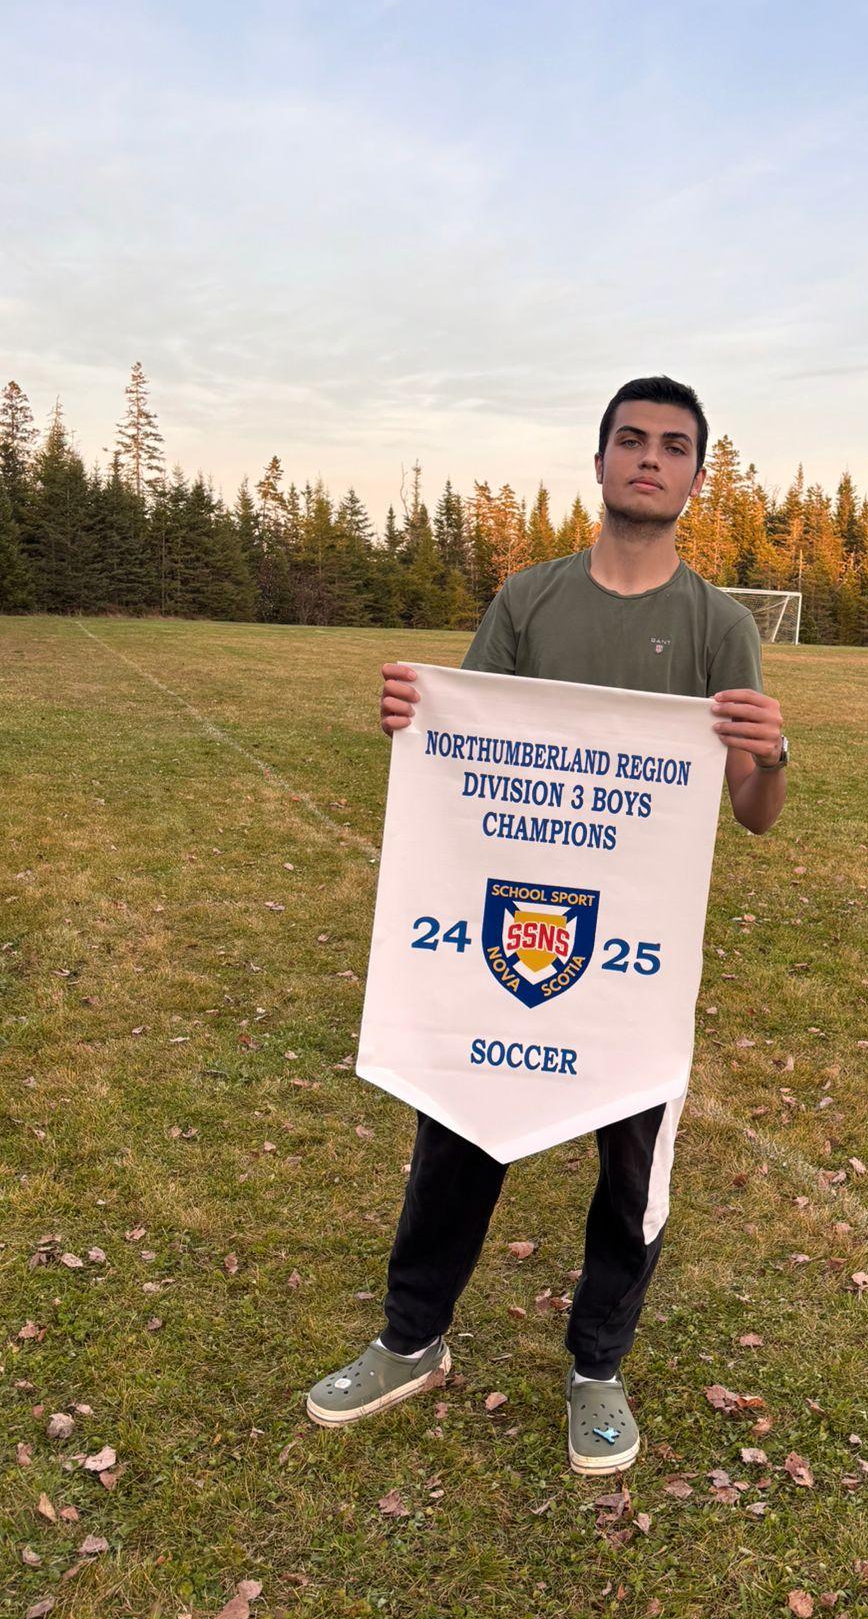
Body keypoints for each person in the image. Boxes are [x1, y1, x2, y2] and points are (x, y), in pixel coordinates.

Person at [304, 375, 789, 1475]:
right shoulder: (528, 601)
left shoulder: (717, 626)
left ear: (698, 477)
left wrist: (768, 753)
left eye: (674, 446)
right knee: (460, 1132)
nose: (650, 459)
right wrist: (415, 723)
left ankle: (596, 1368)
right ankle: (411, 1337)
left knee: (632, 1168)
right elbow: (465, 762)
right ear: (602, 458)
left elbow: (756, 815)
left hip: (641, 952)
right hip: (517, 925)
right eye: (632, 440)